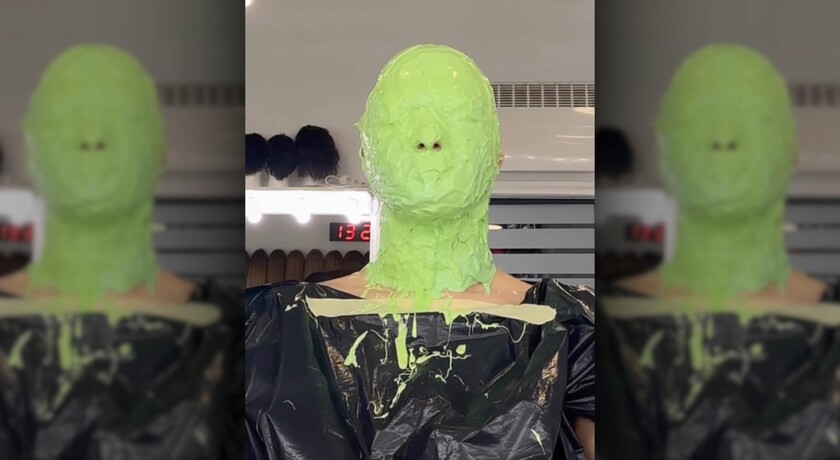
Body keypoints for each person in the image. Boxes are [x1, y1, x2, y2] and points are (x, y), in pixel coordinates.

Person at [245, 44, 595, 459]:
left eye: (459, 119)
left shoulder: (571, 333)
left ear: (496, 155)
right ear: (368, 155)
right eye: (404, 120)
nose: (429, 137)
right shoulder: (269, 331)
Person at [0, 44, 242, 459]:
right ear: (30, 151)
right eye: (67, 118)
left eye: (124, 119)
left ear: (158, 152)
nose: (93, 137)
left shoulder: (229, 337)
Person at [602, 45, 840, 459]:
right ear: (665, 152)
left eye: (754, 120)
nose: (724, 137)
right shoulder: (603, 330)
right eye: (699, 119)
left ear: (790, 152)